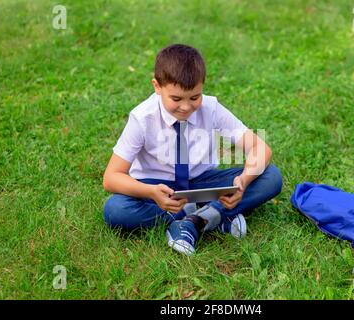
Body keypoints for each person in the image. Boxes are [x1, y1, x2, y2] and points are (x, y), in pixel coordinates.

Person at [103, 44, 282, 255]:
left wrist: (243, 181)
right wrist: (150, 192)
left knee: (271, 176)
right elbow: (111, 177)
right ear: (157, 86)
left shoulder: (211, 107)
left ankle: (197, 218)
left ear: (202, 87)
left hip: (202, 182)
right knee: (116, 209)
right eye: (176, 99)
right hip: (157, 186)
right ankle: (213, 216)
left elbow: (260, 148)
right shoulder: (142, 118)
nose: (186, 107)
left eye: (194, 97)